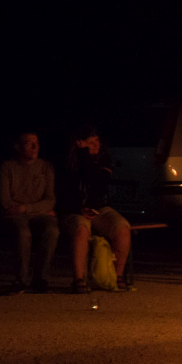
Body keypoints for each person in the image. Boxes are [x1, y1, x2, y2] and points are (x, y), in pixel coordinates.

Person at [57, 126, 131, 294]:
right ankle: (79, 279)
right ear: (79, 144)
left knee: (122, 227)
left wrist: (92, 207)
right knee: (82, 228)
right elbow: (64, 193)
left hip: (97, 207)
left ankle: (116, 275)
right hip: (72, 210)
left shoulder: (103, 162)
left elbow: (98, 185)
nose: (96, 145)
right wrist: (79, 208)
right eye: (90, 142)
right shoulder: (67, 164)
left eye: (97, 140)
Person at [0, 132, 59, 293]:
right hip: (17, 215)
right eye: (29, 143)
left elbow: (50, 199)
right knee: (23, 232)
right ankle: (21, 279)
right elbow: (5, 200)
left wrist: (26, 208)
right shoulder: (8, 167)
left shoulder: (46, 167)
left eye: (37, 143)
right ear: (18, 146)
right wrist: (38, 208)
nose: (34, 147)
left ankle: (41, 278)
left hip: (35, 213)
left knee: (52, 230)